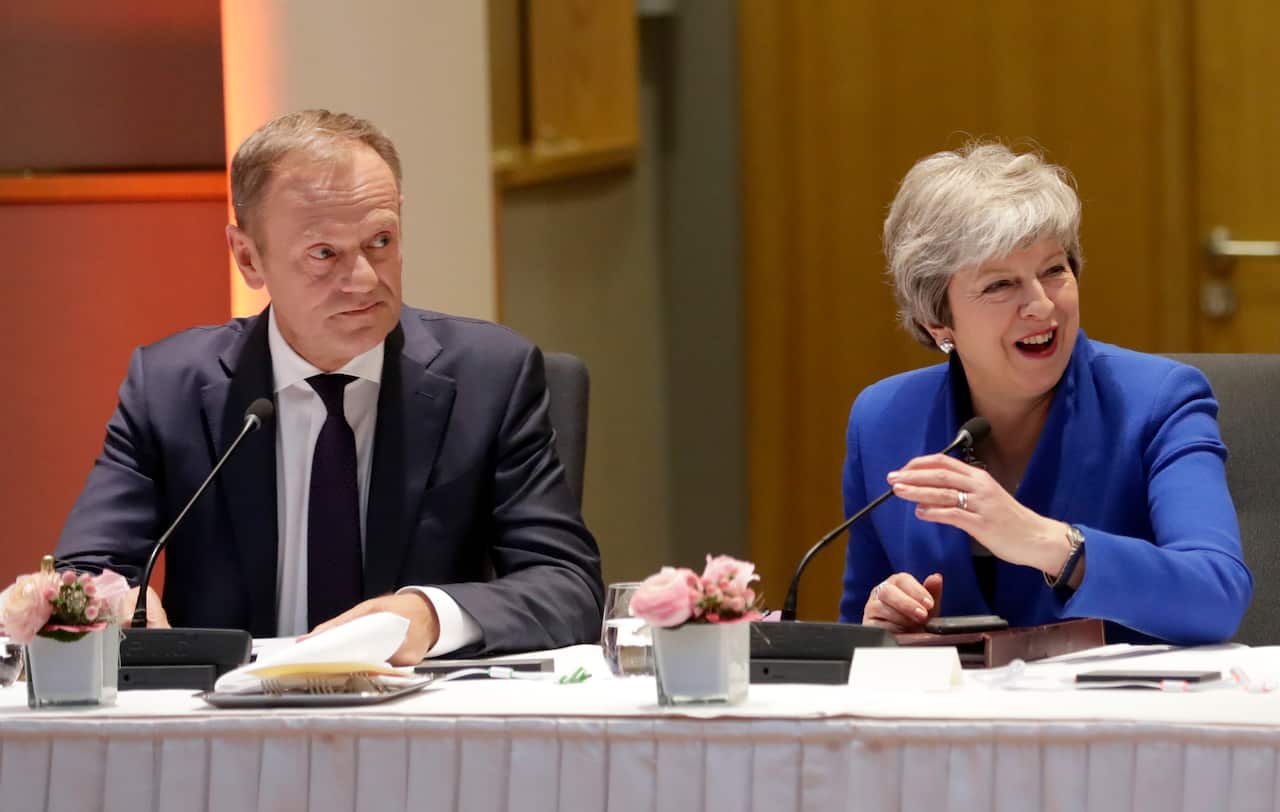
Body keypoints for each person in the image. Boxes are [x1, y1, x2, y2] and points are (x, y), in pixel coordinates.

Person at [55, 109, 604, 664]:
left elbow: (567, 588)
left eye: (381, 240)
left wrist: (430, 615)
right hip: (228, 727)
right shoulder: (170, 386)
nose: (364, 279)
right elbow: (84, 575)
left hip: (421, 724)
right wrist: (116, 603)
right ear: (248, 258)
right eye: (324, 254)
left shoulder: (490, 377)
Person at [839, 142, 1252, 644]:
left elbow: (1216, 596)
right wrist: (881, 629)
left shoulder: (1158, 401)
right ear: (938, 322)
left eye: (1054, 270)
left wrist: (1045, 543)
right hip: (958, 718)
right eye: (999, 285)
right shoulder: (882, 420)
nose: (1041, 305)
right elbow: (853, 636)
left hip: (1125, 717)